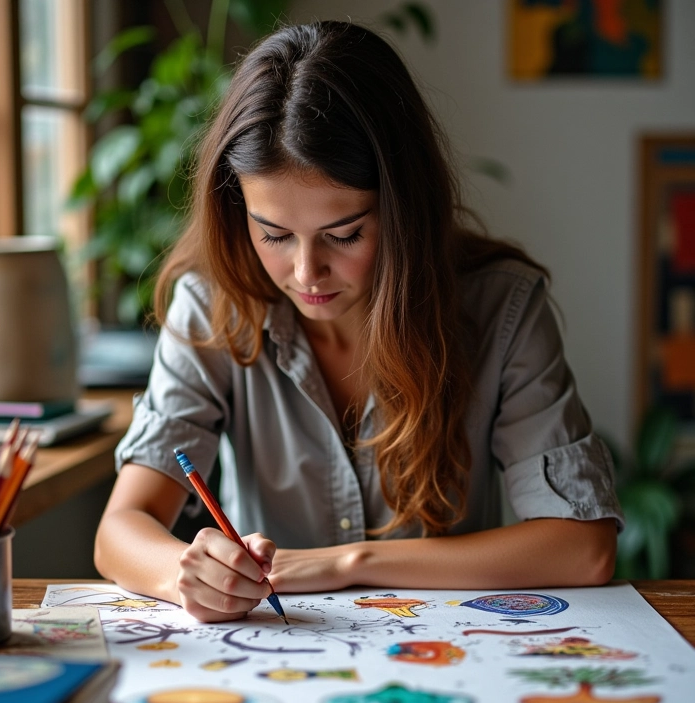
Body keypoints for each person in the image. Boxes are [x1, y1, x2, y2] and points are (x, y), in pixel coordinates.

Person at [94, 20, 623, 623]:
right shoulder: (214, 306)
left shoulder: (500, 308)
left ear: (402, 210)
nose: (306, 272)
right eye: (273, 234)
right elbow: (119, 531)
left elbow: (583, 548)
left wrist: (347, 564)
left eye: (343, 234)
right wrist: (185, 576)